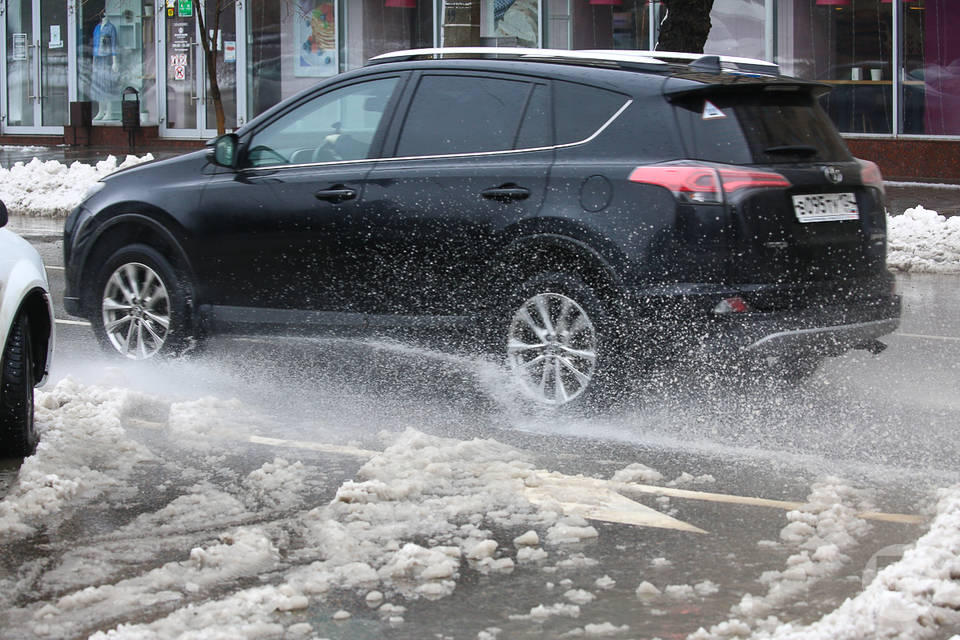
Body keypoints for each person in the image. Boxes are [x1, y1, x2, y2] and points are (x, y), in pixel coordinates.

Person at [91, 13, 120, 120]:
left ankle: (109, 111)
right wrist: (93, 61)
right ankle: (101, 111)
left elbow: (114, 45)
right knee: (98, 85)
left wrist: (114, 61)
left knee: (107, 85)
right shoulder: (97, 28)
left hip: (107, 59)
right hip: (98, 58)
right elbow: (94, 45)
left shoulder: (111, 28)